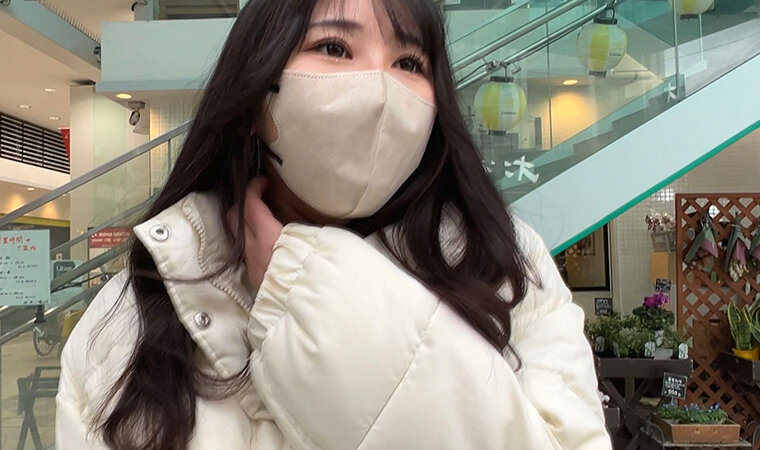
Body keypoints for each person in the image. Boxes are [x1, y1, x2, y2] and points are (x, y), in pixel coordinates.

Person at [55, 0, 612, 448]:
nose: (380, 89)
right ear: (256, 95)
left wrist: (306, 288)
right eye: (334, 47)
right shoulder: (129, 322)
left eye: (409, 63)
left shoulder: (505, 267)